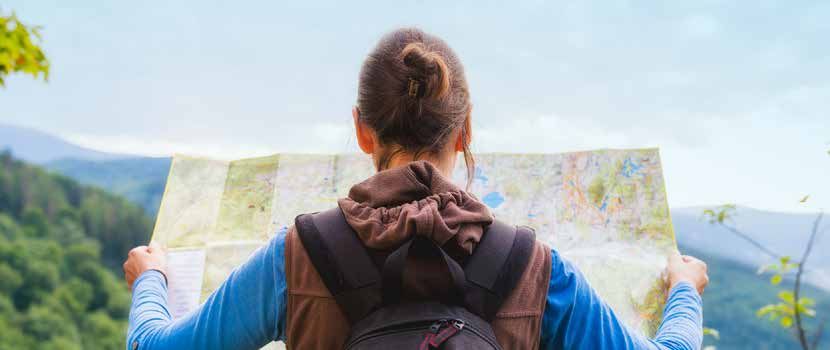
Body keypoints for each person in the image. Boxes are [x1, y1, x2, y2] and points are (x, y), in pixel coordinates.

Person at [123, 28, 707, 350]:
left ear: (360, 128)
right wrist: (684, 291)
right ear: (467, 130)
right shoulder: (535, 269)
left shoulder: (298, 256)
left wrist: (151, 278)